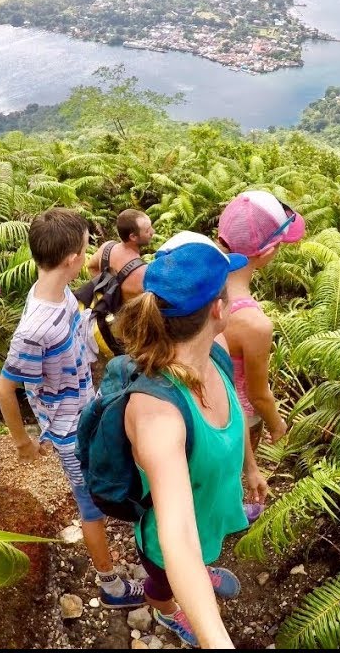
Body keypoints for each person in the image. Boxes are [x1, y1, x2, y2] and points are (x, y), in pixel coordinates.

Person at [113, 234, 270, 648]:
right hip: (168, 544)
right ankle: (167, 613)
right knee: (164, 582)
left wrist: (250, 467)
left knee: (200, 555)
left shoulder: (213, 351)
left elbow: (235, 413)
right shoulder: (157, 414)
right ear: (219, 310)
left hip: (209, 516)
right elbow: (178, 536)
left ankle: (202, 571)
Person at [0, 207, 144, 609]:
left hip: (86, 405)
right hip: (68, 431)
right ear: (71, 259)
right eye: (84, 248)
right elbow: (5, 388)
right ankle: (110, 585)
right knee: (90, 508)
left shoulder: (52, 288)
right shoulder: (35, 329)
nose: (88, 254)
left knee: (118, 474)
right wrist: (23, 442)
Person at [216, 190, 306, 522]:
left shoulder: (201, 282)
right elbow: (258, 393)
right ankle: (231, 509)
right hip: (239, 413)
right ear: (268, 252)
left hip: (202, 399)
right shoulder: (254, 323)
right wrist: (278, 426)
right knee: (237, 461)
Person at [87, 208, 154, 302]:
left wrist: (104, 291)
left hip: (105, 312)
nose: (153, 232)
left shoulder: (106, 248)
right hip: (127, 315)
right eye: (147, 231)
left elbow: (91, 267)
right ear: (133, 237)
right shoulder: (142, 272)